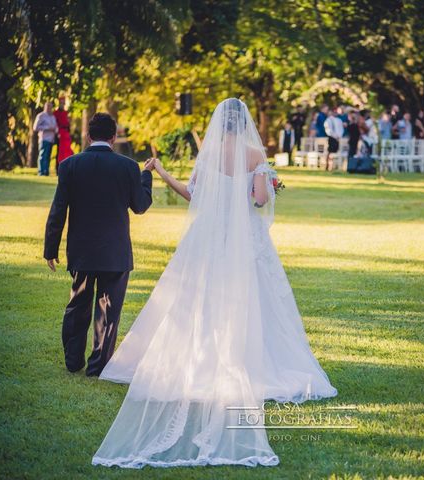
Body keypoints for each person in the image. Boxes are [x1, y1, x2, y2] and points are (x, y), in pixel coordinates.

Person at [92, 98, 337, 468]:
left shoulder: (207, 155)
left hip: (209, 235)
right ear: (246, 125)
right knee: (259, 300)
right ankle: (251, 359)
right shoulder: (255, 153)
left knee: (194, 296)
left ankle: (200, 357)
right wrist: (269, 185)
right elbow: (258, 200)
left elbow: (193, 195)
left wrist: (160, 173)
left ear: (220, 124)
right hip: (246, 238)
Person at [43, 112, 153, 377]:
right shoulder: (128, 167)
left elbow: (58, 210)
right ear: (114, 137)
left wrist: (50, 249)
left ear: (88, 136)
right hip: (115, 252)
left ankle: (73, 361)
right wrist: (146, 175)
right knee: (109, 308)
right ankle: (98, 366)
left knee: (77, 303)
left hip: (82, 249)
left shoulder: (70, 165)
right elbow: (140, 206)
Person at [33, 101, 58, 176]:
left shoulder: (53, 117)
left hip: (51, 139)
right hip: (43, 139)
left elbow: (56, 127)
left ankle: (46, 171)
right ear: (45, 107)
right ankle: (41, 172)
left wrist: (55, 130)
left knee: (48, 156)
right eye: (48, 106)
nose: (49, 108)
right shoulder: (41, 116)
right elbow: (35, 127)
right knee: (42, 155)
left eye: (50, 107)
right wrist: (47, 128)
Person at [53, 95, 74, 168]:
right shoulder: (55, 113)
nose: (63, 104)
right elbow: (55, 124)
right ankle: (58, 167)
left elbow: (68, 124)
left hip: (66, 133)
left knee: (67, 150)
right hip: (60, 133)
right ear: (59, 103)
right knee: (60, 151)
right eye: (61, 102)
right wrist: (57, 133)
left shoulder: (66, 113)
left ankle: (67, 165)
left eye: (63, 103)